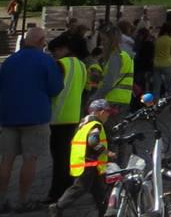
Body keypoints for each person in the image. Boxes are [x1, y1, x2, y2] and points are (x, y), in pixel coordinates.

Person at [0, 26, 64, 211]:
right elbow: (55, 88)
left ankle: (1, 199)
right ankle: (22, 200)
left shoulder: (10, 60)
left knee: (7, 159)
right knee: (30, 159)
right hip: (35, 116)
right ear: (41, 41)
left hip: (8, 115)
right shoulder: (46, 61)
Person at [49, 98, 113, 217]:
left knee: (99, 190)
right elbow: (93, 142)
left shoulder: (84, 124)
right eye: (107, 112)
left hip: (90, 163)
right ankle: (57, 207)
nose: (108, 115)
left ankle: (105, 212)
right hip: (89, 163)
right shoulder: (96, 125)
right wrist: (107, 152)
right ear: (100, 112)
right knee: (80, 188)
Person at [45, 34, 88, 206]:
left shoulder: (61, 64)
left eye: (55, 51)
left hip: (58, 117)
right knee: (67, 157)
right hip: (73, 116)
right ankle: (68, 189)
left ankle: (56, 194)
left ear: (64, 49)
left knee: (59, 159)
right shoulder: (81, 65)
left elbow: (52, 88)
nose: (53, 55)